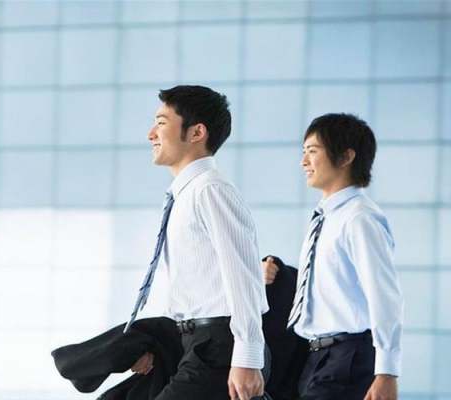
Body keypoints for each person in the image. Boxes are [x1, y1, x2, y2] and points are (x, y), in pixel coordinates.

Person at [128, 85, 268, 400]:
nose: (151, 134)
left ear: (196, 132)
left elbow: (243, 275)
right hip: (193, 342)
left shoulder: (210, 190)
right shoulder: (185, 195)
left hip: (219, 347)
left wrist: (247, 356)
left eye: (161, 123)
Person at [264, 113, 404, 400]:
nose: (303, 162)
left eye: (312, 151)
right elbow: (326, 285)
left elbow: (385, 297)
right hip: (317, 358)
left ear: (346, 157)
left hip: (347, 358)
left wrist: (387, 372)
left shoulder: (359, 218)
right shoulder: (326, 217)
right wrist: (277, 271)